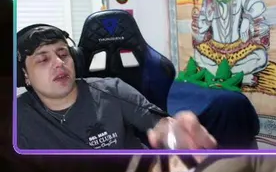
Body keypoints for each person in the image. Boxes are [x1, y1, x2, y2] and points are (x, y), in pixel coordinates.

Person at [15, 23, 216, 151]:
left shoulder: (112, 90)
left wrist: (177, 135)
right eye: (43, 60)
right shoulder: (17, 116)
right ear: (24, 75)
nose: (59, 63)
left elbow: (159, 124)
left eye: (63, 54)